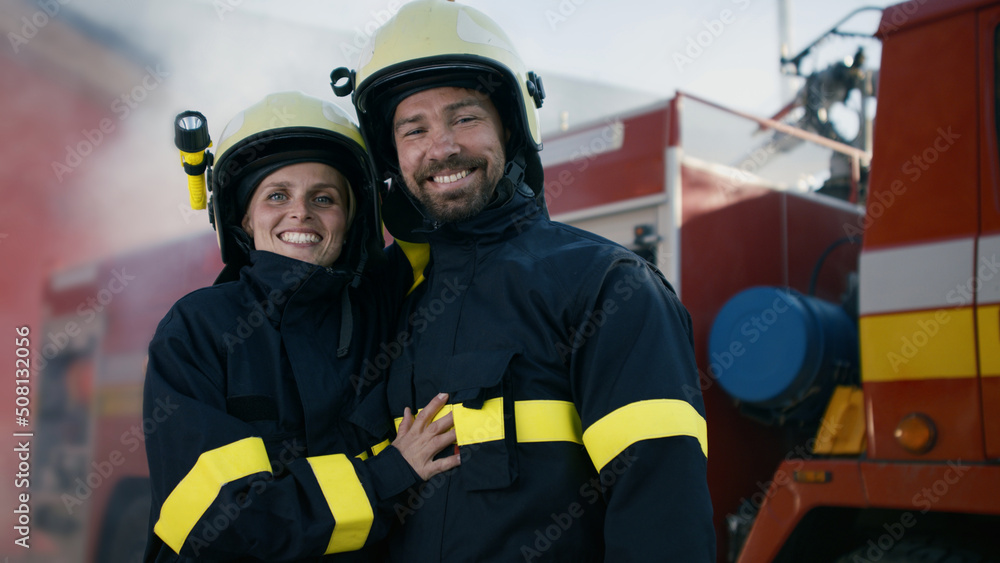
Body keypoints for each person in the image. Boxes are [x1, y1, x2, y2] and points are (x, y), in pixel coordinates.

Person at [331, 1, 715, 560]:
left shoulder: (606, 285)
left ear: (510, 129)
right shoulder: (391, 303)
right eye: (414, 129)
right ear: (393, 156)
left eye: (465, 118)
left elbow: (663, 517)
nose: (442, 147)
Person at [143, 91, 459, 562]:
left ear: (352, 220)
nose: (301, 212)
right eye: (276, 195)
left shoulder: (382, 302)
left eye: (324, 198)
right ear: (244, 218)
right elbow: (224, 522)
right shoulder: (198, 329)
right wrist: (389, 473)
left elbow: (449, 218)